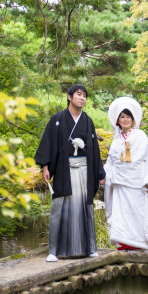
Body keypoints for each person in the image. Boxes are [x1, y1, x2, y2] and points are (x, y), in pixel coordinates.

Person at [35, 84, 106, 262]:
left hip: (84, 170)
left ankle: (89, 248)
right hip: (63, 170)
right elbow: (48, 143)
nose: (82, 98)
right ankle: (53, 251)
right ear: (69, 97)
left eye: (85, 96)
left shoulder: (88, 121)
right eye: (79, 95)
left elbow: (95, 150)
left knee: (85, 207)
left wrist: (100, 173)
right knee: (59, 207)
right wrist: (45, 166)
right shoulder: (57, 119)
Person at [104, 97, 148, 250]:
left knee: (137, 214)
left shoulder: (140, 135)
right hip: (119, 184)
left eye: (128, 117)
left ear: (133, 119)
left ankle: (139, 245)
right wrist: (104, 176)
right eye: (122, 117)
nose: (125, 120)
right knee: (122, 215)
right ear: (118, 120)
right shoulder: (116, 140)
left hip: (137, 182)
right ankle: (122, 244)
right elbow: (110, 162)